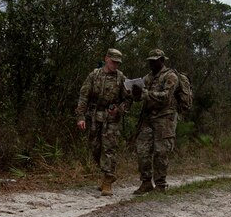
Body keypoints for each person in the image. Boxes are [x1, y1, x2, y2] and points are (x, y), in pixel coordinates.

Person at [75, 48, 133, 196]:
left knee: (109, 149)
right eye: (113, 62)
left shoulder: (121, 78)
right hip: (94, 116)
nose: (115, 65)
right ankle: (106, 175)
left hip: (111, 118)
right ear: (106, 59)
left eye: (118, 63)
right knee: (95, 147)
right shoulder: (94, 75)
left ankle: (107, 181)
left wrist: (119, 110)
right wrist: (80, 117)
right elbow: (84, 96)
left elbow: (128, 99)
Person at [130, 48, 180, 194]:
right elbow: (140, 97)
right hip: (148, 118)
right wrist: (135, 93)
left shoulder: (171, 76)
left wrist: (145, 93)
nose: (151, 64)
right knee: (142, 149)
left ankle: (160, 185)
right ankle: (146, 182)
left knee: (161, 152)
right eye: (150, 61)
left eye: (155, 61)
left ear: (162, 61)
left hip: (164, 118)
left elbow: (165, 96)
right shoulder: (148, 78)